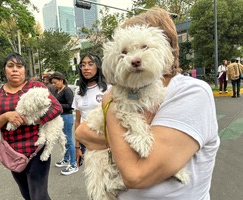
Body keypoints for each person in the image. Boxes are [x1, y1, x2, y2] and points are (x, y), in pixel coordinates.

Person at [76, 8, 220, 199]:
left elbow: (136, 174)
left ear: (165, 47)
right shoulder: (122, 92)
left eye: (144, 47)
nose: (134, 58)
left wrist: (109, 104)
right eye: (124, 52)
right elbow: (82, 133)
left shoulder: (191, 91)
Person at [0, 52, 62, 200]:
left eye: (19, 66)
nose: (15, 70)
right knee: (28, 195)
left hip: (37, 149)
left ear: (24, 70)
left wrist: (30, 119)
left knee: (38, 196)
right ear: (4, 70)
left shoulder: (35, 86)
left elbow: (56, 108)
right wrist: (6, 116)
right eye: (10, 66)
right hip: (13, 154)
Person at [72, 53, 109, 166]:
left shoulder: (108, 88)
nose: (86, 68)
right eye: (82, 65)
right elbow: (77, 121)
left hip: (105, 139)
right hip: (85, 140)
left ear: (98, 67)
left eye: (90, 64)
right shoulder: (78, 91)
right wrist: (77, 146)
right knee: (92, 176)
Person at [49, 72, 77, 175]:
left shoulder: (67, 90)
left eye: (55, 82)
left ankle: (73, 164)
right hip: (60, 117)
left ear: (61, 80)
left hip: (67, 117)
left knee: (69, 140)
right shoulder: (58, 90)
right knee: (63, 140)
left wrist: (57, 105)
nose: (54, 85)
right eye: (53, 83)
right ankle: (66, 159)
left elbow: (70, 105)